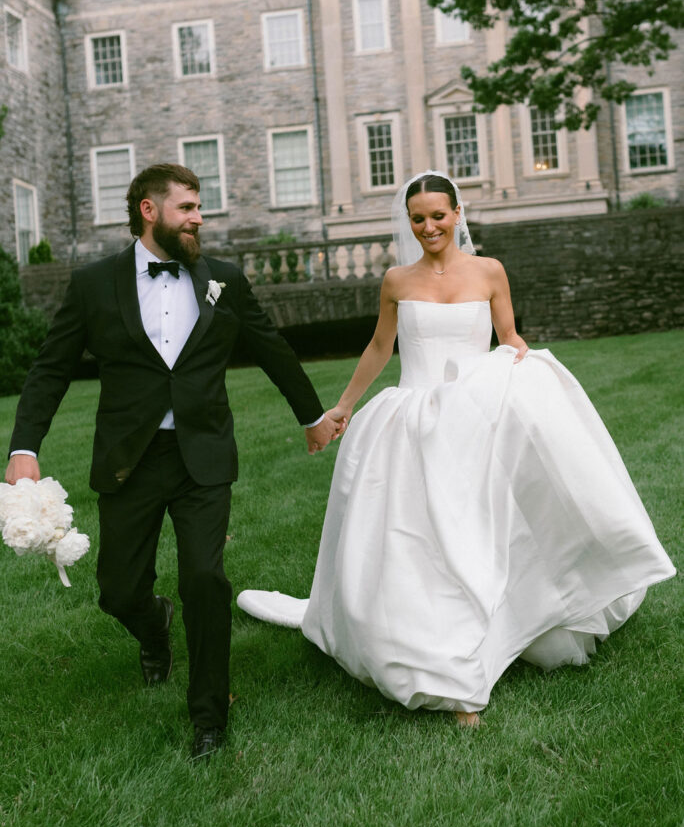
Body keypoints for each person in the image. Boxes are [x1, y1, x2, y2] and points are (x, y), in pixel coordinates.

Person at [237, 171, 676, 726]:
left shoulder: (490, 271)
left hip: (478, 418)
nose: (428, 227)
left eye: (438, 215)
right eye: (418, 218)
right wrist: (343, 406)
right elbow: (380, 346)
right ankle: (434, 659)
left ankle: (506, 621)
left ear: (458, 213)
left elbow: (508, 336)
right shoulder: (398, 280)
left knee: (480, 528)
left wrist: (523, 362)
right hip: (415, 419)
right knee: (420, 536)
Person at [4, 163, 339, 760]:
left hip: (202, 456)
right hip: (128, 458)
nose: (199, 217)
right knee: (117, 589)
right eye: (187, 207)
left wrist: (311, 417)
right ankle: (152, 624)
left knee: (205, 580)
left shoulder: (223, 280)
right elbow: (51, 369)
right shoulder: (94, 283)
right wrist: (24, 449)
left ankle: (209, 717)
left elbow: (271, 348)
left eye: (200, 206)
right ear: (149, 210)